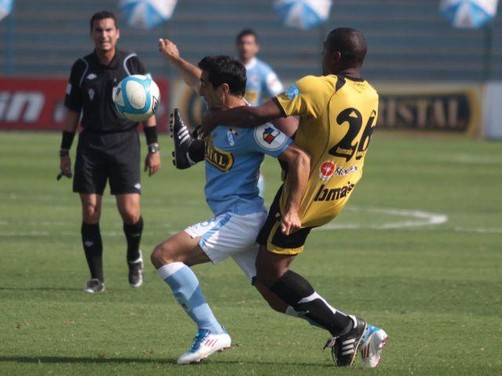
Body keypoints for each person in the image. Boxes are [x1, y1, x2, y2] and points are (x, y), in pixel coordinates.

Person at [200, 28, 389, 368]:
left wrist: (216, 116)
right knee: (272, 280)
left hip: (304, 197)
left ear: (336, 58)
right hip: (338, 193)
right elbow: (302, 128)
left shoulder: (317, 86)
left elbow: (257, 115)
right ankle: (345, 335)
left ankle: (348, 327)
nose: (320, 55)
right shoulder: (372, 95)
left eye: (324, 50)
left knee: (269, 273)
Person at [151, 52, 310, 364]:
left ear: (223, 89)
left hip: (241, 217)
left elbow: (297, 158)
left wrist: (293, 209)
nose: (200, 90)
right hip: (235, 218)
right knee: (276, 298)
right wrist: (176, 59)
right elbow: (198, 80)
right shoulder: (218, 119)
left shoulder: (251, 126)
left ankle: (211, 330)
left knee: (164, 255)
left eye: (206, 86)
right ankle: (349, 326)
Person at [58, 10, 161, 293]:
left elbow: (149, 107)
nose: (103, 35)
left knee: (130, 212)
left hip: (125, 142)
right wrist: (64, 150)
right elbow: (71, 111)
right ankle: (97, 278)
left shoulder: (132, 63)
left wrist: (154, 147)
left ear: (117, 33)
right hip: (90, 144)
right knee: (90, 210)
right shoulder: (81, 67)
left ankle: (133, 256)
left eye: (108, 30)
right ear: (91, 34)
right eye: (98, 30)